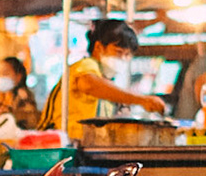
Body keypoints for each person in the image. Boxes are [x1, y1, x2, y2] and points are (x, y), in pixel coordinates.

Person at [40, 18, 168, 140]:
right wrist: (141, 100)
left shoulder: (104, 78)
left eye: (127, 55)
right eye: (118, 52)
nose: (123, 59)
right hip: (56, 145)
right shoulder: (86, 65)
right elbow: (88, 84)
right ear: (98, 47)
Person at [0, 56, 41, 129]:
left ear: (18, 77)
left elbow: (31, 121)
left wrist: (7, 114)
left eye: (5, 73)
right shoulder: (1, 97)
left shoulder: (24, 97)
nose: (1, 77)